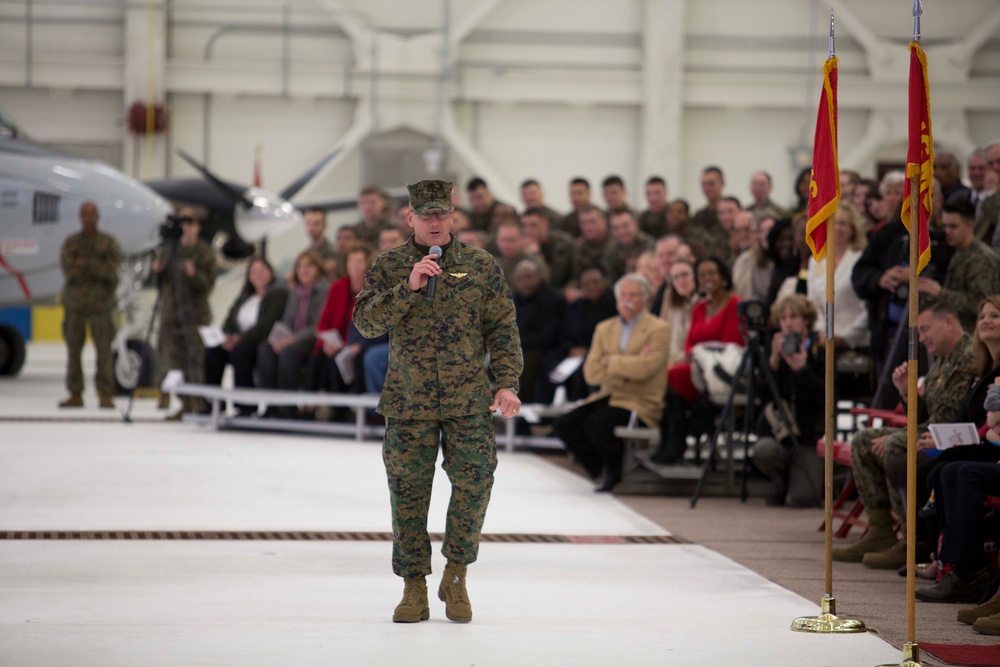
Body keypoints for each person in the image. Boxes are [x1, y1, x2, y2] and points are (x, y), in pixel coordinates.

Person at [353, 179, 522, 625]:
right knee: (408, 494)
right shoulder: (390, 265)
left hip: (468, 398)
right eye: (424, 214)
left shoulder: (481, 266)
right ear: (408, 217)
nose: (433, 221)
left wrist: (506, 383)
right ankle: (414, 587)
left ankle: (457, 573)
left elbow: (502, 329)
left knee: (475, 481)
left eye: (440, 213)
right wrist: (406, 289)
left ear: (453, 216)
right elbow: (365, 322)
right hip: (409, 400)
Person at [831, 298, 976, 570]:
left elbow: (948, 419)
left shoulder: (968, 358)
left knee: (896, 444)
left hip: (955, 438)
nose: (921, 339)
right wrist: (905, 390)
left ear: (949, 322)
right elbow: (924, 416)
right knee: (864, 440)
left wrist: (903, 434)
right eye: (918, 332)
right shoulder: (942, 361)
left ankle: (912, 539)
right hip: (932, 432)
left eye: (925, 330)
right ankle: (880, 531)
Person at [553, 273, 670, 492]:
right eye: (623, 294)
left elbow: (647, 369)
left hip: (640, 401)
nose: (627, 299)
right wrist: (629, 365)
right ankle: (601, 469)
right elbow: (591, 373)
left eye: (633, 295)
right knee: (564, 425)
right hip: (609, 395)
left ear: (645, 299)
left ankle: (613, 470)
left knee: (597, 424)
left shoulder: (659, 329)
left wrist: (612, 362)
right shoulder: (604, 328)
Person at [651, 256, 742, 464]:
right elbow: (689, 343)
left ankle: (675, 440)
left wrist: (698, 353)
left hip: (721, 369)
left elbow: (731, 343)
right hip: (697, 366)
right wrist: (695, 353)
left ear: (722, 277)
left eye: (712, 273)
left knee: (671, 376)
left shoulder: (734, 303)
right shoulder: (700, 307)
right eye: (702, 275)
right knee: (663, 378)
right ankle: (670, 438)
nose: (707, 278)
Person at [750, 295, 824, 507]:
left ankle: (808, 476)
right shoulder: (773, 349)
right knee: (763, 450)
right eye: (783, 318)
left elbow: (824, 396)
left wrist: (802, 369)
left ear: (806, 320)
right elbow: (760, 395)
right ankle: (779, 481)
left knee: (803, 499)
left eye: (793, 316)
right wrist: (773, 361)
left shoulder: (819, 349)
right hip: (779, 435)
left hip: (809, 436)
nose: (788, 322)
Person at [153, 207, 217, 419]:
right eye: (182, 223)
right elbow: (159, 285)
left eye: (190, 223)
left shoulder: (204, 252)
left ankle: (196, 404)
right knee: (172, 358)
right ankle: (180, 402)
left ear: (197, 227)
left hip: (196, 315)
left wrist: (194, 275)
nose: (186, 228)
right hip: (171, 313)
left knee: (195, 360)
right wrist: (158, 272)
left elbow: (208, 286)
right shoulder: (170, 250)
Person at [203, 256, 288, 415]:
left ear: (270, 272)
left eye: (262, 271)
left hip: (260, 342)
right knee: (213, 351)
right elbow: (229, 319)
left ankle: (245, 405)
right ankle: (213, 402)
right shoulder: (245, 296)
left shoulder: (277, 294)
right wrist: (227, 337)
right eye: (254, 271)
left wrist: (239, 339)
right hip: (238, 340)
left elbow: (266, 325)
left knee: (241, 352)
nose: (258, 275)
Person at [58, 201, 121, 409]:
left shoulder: (108, 243)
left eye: (92, 214)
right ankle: (75, 393)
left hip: (101, 306)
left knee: (104, 350)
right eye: (85, 214)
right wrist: (97, 265)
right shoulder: (71, 243)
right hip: (75, 305)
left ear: (98, 216)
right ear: (79, 217)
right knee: (73, 350)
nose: (88, 218)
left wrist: (84, 263)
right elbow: (69, 271)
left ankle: (105, 393)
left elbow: (111, 273)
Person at [255, 250, 328, 413]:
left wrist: (292, 340)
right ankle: (270, 405)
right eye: (300, 266)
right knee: (265, 348)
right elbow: (287, 320)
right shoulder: (295, 291)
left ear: (318, 268)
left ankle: (287, 408)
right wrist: (279, 339)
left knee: (289, 352)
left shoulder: (324, 290)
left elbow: (317, 326)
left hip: (310, 343)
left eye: (308, 266)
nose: (304, 270)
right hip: (291, 340)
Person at [308, 243, 376, 415]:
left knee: (336, 360)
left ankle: (340, 411)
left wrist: (344, 344)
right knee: (318, 359)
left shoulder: (372, 287)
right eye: (351, 261)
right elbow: (323, 321)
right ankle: (306, 406)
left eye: (359, 262)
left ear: (367, 264)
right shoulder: (337, 286)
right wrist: (327, 342)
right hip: (334, 342)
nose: (354, 265)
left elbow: (363, 324)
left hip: (354, 343)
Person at [917, 196, 1000, 334]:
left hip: (975, 338)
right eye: (945, 226)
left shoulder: (982, 259)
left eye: (953, 226)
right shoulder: (960, 251)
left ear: (970, 225)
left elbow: (982, 304)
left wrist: (941, 293)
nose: (947, 231)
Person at [806, 203, 869, 350]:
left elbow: (868, 307)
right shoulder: (815, 261)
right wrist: (822, 332)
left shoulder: (861, 259)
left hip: (856, 343)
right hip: (823, 342)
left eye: (843, 223)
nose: (837, 228)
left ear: (853, 228)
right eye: (833, 222)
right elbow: (812, 302)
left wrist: (845, 338)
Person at [511, 257, 564, 403]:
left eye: (529, 277)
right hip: (519, 347)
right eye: (520, 279)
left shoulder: (553, 300)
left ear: (540, 276)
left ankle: (523, 411)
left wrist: (517, 343)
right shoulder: (512, 300)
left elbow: (549, 336)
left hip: (546, 349)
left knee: (523, 361)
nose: (525, 283)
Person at [660, 259, 698, 365]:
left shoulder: (704, 302)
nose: (681, 281)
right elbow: (662, 329)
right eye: (675, 277)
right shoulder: (670, 297)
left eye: (685, 275)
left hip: (693, 361)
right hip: (670, 359)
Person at [301, 208, 338, 278]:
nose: (311, 227)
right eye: (308, 223)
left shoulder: (335, 252)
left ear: (324, 225)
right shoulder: (306, 254)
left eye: (316, 223)